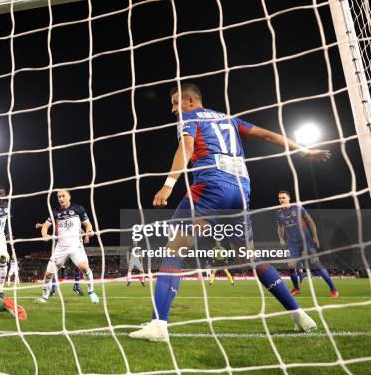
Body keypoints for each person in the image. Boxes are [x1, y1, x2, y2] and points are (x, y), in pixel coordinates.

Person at [130, 83, 330, 341]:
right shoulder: (230, 120)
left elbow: (187, 149)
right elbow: (269, 136)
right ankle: (300, 315)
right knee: (250, 256)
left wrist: (168, 184)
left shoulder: (188, 117)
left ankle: (159, 324)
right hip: (240, 191)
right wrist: (304, 151)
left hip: (210, 186)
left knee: (174, 249)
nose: (173, 109)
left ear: (190, 101)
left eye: (176, 102)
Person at [35, 191, 99, 304]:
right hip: (61, 248)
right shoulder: (55, 212)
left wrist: (89, 230)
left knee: (84, 267)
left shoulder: (78, 209)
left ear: (69, 197)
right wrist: (44, 235)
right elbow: (45, 226)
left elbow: (87, 224)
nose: (61, 198)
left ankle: (91, 291)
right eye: (59, 196)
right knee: (49, 274)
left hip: (75, 246)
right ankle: (44, 297)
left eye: (63, 196)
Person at [277, 190, 338, 297]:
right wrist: (281, 238)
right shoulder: (278, 213)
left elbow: (310, 221)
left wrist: (315, 236)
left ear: (288, 198)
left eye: (283, 198)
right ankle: (296, 289)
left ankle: (333, 289)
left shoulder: (298, 208)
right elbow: (280, 227)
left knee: (317, 265)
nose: (281, 200)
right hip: (293, 245)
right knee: (291, 266)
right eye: (280, 198)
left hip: (307, 242)